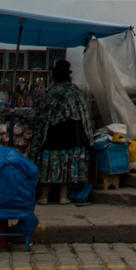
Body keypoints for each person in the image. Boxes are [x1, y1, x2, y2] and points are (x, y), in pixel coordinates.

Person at [27, 59, 92, 205]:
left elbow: (42, 116)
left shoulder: (53, 92)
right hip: (74, 134)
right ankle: (63, 196)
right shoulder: (75, 91)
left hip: (54, 134)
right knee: (69, 163)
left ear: (55, 76)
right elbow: (84, 114)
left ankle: (44, 196)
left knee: (49, 163)